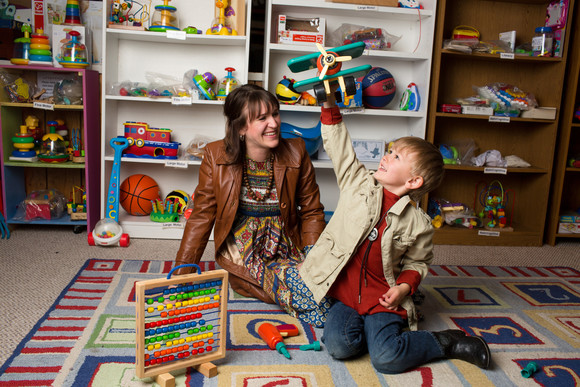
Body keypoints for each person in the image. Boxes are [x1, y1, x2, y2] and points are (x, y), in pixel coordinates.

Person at [298, 92, 491, 373]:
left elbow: (417, 263)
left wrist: (403, 288)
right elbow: (339, 147)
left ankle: (445, 342)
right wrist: (328, 102)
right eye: (389, 150)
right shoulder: (358, 184)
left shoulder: (419, 223)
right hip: (347, 296)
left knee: (387, 359)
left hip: (382, 299)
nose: (386, 156)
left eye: (396, 155)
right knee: (339, 348)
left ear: (413, 180)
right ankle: (372, 333)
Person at [174, 84, 330, 327]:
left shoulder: (298, 152)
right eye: (262, 118)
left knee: (329, 284)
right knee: (309, 296)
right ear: (241, 128)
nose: (274, 123)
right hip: (244, 248)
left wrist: (312, 259)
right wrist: (182, 275)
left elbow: (311, 211)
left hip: (287, 242)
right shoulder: (215, 156)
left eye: (275, 114)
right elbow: (202, 216)